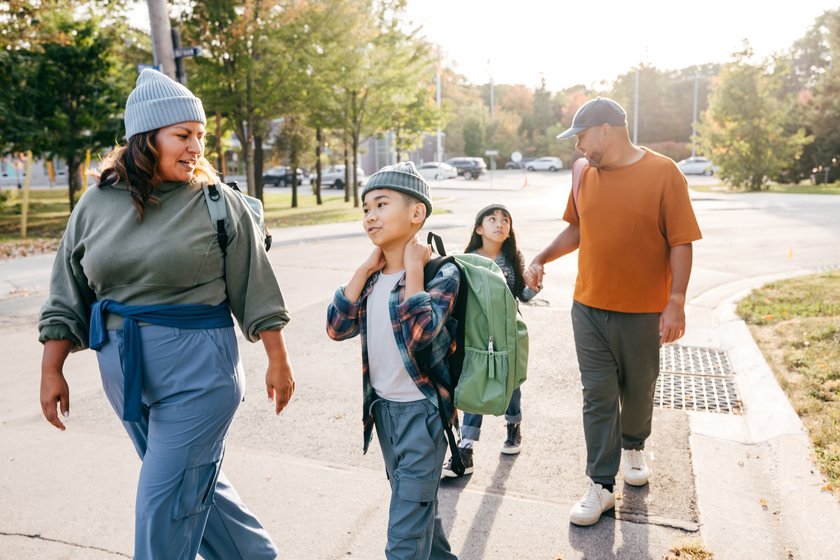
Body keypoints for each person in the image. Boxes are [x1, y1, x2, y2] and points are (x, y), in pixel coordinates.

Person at [38, 69, 294, 559]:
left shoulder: (218, 203)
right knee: (196, 491)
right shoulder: (95, 204)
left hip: (201, 372)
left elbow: (254, 284)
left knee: (163, 503)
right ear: (145, 139)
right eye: (183, 135)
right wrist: (53, 369)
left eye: (200, 135)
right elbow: (66, 292)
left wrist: (277, 359)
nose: (196, 146)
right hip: (126, 374)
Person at [524, 97, 702, 527]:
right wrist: (541, 258)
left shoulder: (664, 173)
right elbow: (579, 227)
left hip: (643, 311)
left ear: (606, 130)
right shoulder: (583, 172)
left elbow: (681, 241)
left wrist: (675, 301)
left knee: (639, 387)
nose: (578, 147)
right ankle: (601, 485)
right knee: (598, 394)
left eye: (581, 137)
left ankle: (634, 444)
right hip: (588, 307)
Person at [327, 161, 459, 560]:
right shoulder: (372, 277)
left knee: (404, 535)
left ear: (416, 213)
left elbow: (420, 332)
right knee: (418, 507)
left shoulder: (442, 273)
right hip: (383, 412)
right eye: (366, 208)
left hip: (423, 414)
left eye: (381, 205)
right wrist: (366, 267)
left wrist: (415, 269)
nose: (370, 216)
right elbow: (336, 327)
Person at [441, 203, 540, 478]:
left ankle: (513, 426)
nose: (500, 224)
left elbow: (523, 294)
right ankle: (467, 447)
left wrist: (533, 285)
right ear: (478, 228)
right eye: (492, 219)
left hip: (508, 334)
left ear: (509, 231)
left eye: (505, 220)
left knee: (511, 383)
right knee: (475, 385)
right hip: (476, 335)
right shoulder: (467, 259)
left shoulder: (512, 260)